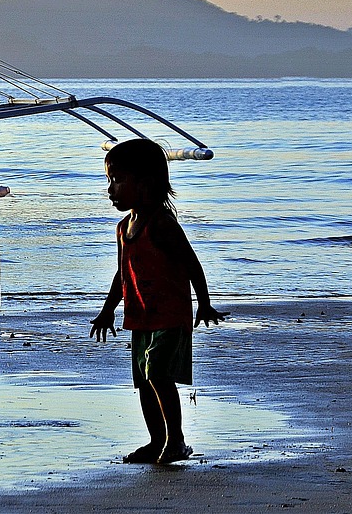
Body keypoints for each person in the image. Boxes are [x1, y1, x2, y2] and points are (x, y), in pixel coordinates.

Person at [90, 138, 228, 464]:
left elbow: (192, 263)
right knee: (144, 381)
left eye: (118, 180)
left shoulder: (162, 224)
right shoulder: (124, 227)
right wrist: (107, 311)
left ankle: (176, 441)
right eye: (109, 180)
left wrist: (204, 303)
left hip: (169, 314)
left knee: (156, 373)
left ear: (146, 183)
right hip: (140, 316)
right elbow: (121, 274)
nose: (110, 189)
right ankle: (157, 441)